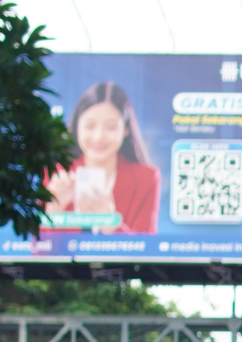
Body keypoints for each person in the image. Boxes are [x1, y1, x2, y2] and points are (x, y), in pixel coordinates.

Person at [43, 81, 160, 235]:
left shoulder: (146, 178)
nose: (99, 137)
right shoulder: (55, 173)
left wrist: (112, 226)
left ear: (125, 129)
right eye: (90, 126)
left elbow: (147, 246)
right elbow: (35, 245)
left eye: (111, 127)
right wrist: (54, 211)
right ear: (77, 127)